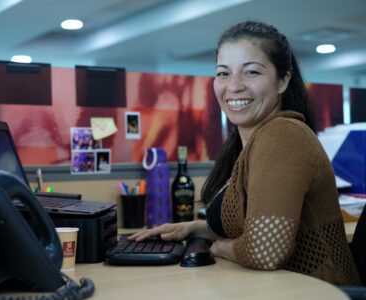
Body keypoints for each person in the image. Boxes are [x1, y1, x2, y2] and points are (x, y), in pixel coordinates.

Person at [129, 20, 361, 285]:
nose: (234, 85)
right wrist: (195, 229)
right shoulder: (253, 141)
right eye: (223, 73)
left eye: (251, 72)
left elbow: (264, 252)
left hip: (315, 291)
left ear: (283, 80)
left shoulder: (282, 136)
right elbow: (253, 224)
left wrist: (219, 248)